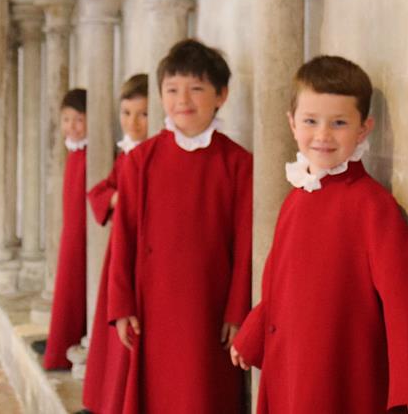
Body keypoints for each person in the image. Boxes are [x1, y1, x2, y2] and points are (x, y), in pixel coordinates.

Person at [230, 55, 408, 414]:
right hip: (289, 365)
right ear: (292, 124)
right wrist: (254, 332)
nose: (322, 135)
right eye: (311, 121)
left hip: (339, 371)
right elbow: (278, 284)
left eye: (339, 123)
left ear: (364, 129)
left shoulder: (371, 205)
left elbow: (405, 301)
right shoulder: (295, 199)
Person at [108, 40, 252, 413]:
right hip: (152, 306)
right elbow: (123, 236)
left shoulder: (238, 163)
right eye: (172, 90)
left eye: (197, 89)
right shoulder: (140, 160)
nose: (182, 100)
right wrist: (121, 305)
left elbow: (246, 243)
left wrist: (237, 311)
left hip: (210, 307)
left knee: (205, 394)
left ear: (221, 95)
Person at [83, 73, 148, 414]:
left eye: (142, 114)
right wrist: (117, 199)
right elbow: (101, 190)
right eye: (126, 113)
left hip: (143, 253)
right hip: (120, 251)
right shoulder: (126, 154)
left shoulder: (149, 157)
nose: (133, 123)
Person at [43, 88, 89, 370]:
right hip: (71, 232)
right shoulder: (74, 153)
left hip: (83, 236)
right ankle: (59, 343)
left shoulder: (89, 156)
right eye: (66, 119)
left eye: (79, 119)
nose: (71, 126)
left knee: (74, 288)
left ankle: (65, 346)